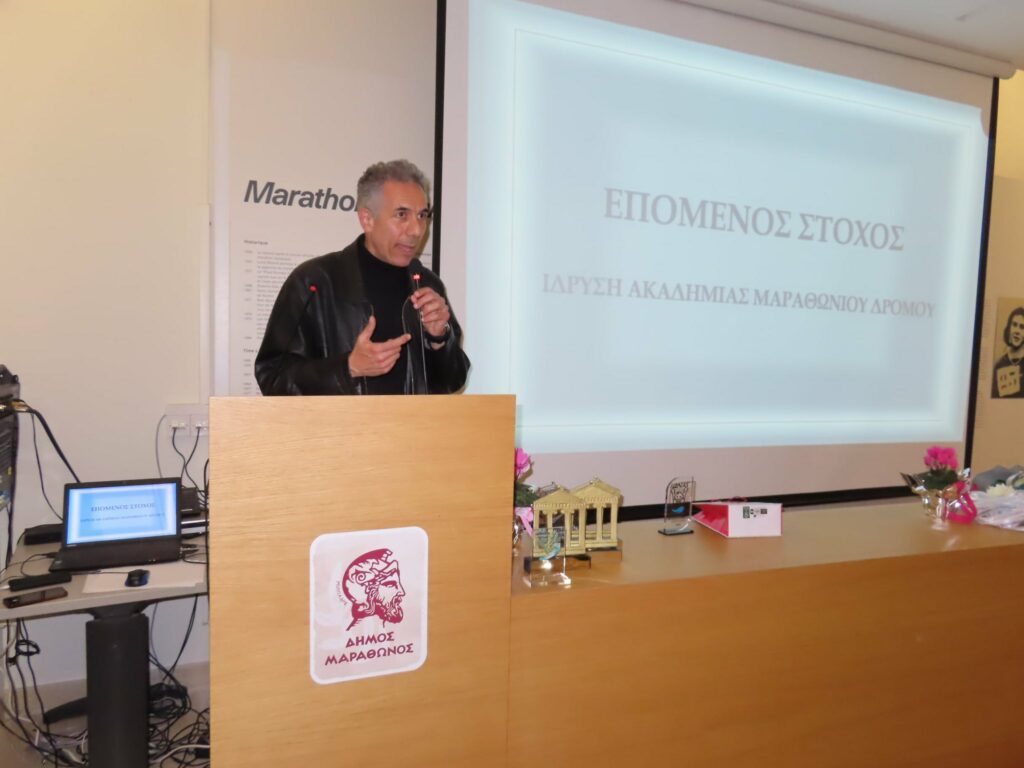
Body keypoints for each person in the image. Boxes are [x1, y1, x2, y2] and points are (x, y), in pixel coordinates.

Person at [255, 159, 469, 395]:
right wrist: (348, 368)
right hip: (342, 421)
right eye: (402, 214)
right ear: (367, 219)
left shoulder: (428, 283)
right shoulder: (314, 281)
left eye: (422, 215)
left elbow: (452, 382)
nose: (417, 230)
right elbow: (271, 376)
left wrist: (439, 340)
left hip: (413, 421)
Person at [992, 306, 1024, 398]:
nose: (1017, 331)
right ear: (1009, 328)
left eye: (1022, 327)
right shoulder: (999, 365)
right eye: (1014, 325)